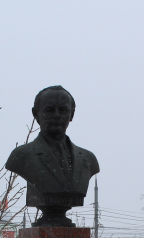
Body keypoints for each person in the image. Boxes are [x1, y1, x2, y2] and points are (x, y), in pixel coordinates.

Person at [5, 86, 99, 225]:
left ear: (72, 114)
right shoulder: (22, 156)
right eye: (49, 110)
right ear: (35, 114)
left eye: (63, 110)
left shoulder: (88, 159)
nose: (57, 115)